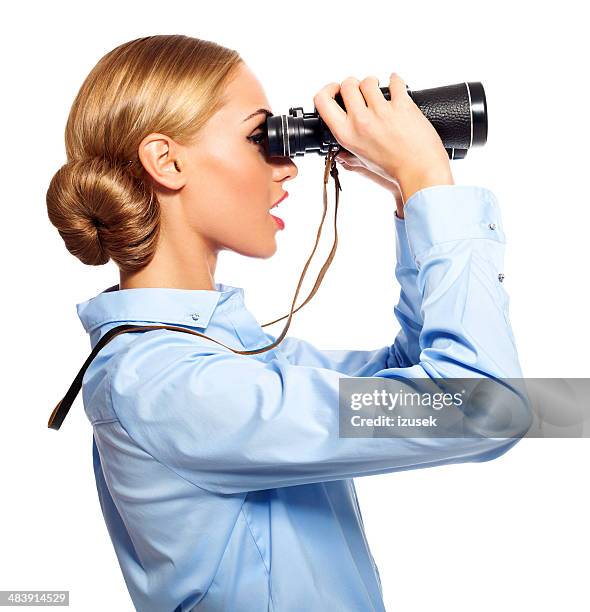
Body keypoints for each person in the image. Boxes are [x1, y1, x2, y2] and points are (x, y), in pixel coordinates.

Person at [46, 34, 530, 612]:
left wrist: (409, 197)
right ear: (167, 162)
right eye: (261, 137)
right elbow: (482, 408)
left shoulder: (227, 358)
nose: (288, 167)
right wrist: (428, 176)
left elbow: (412, 375)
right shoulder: (166, 386)